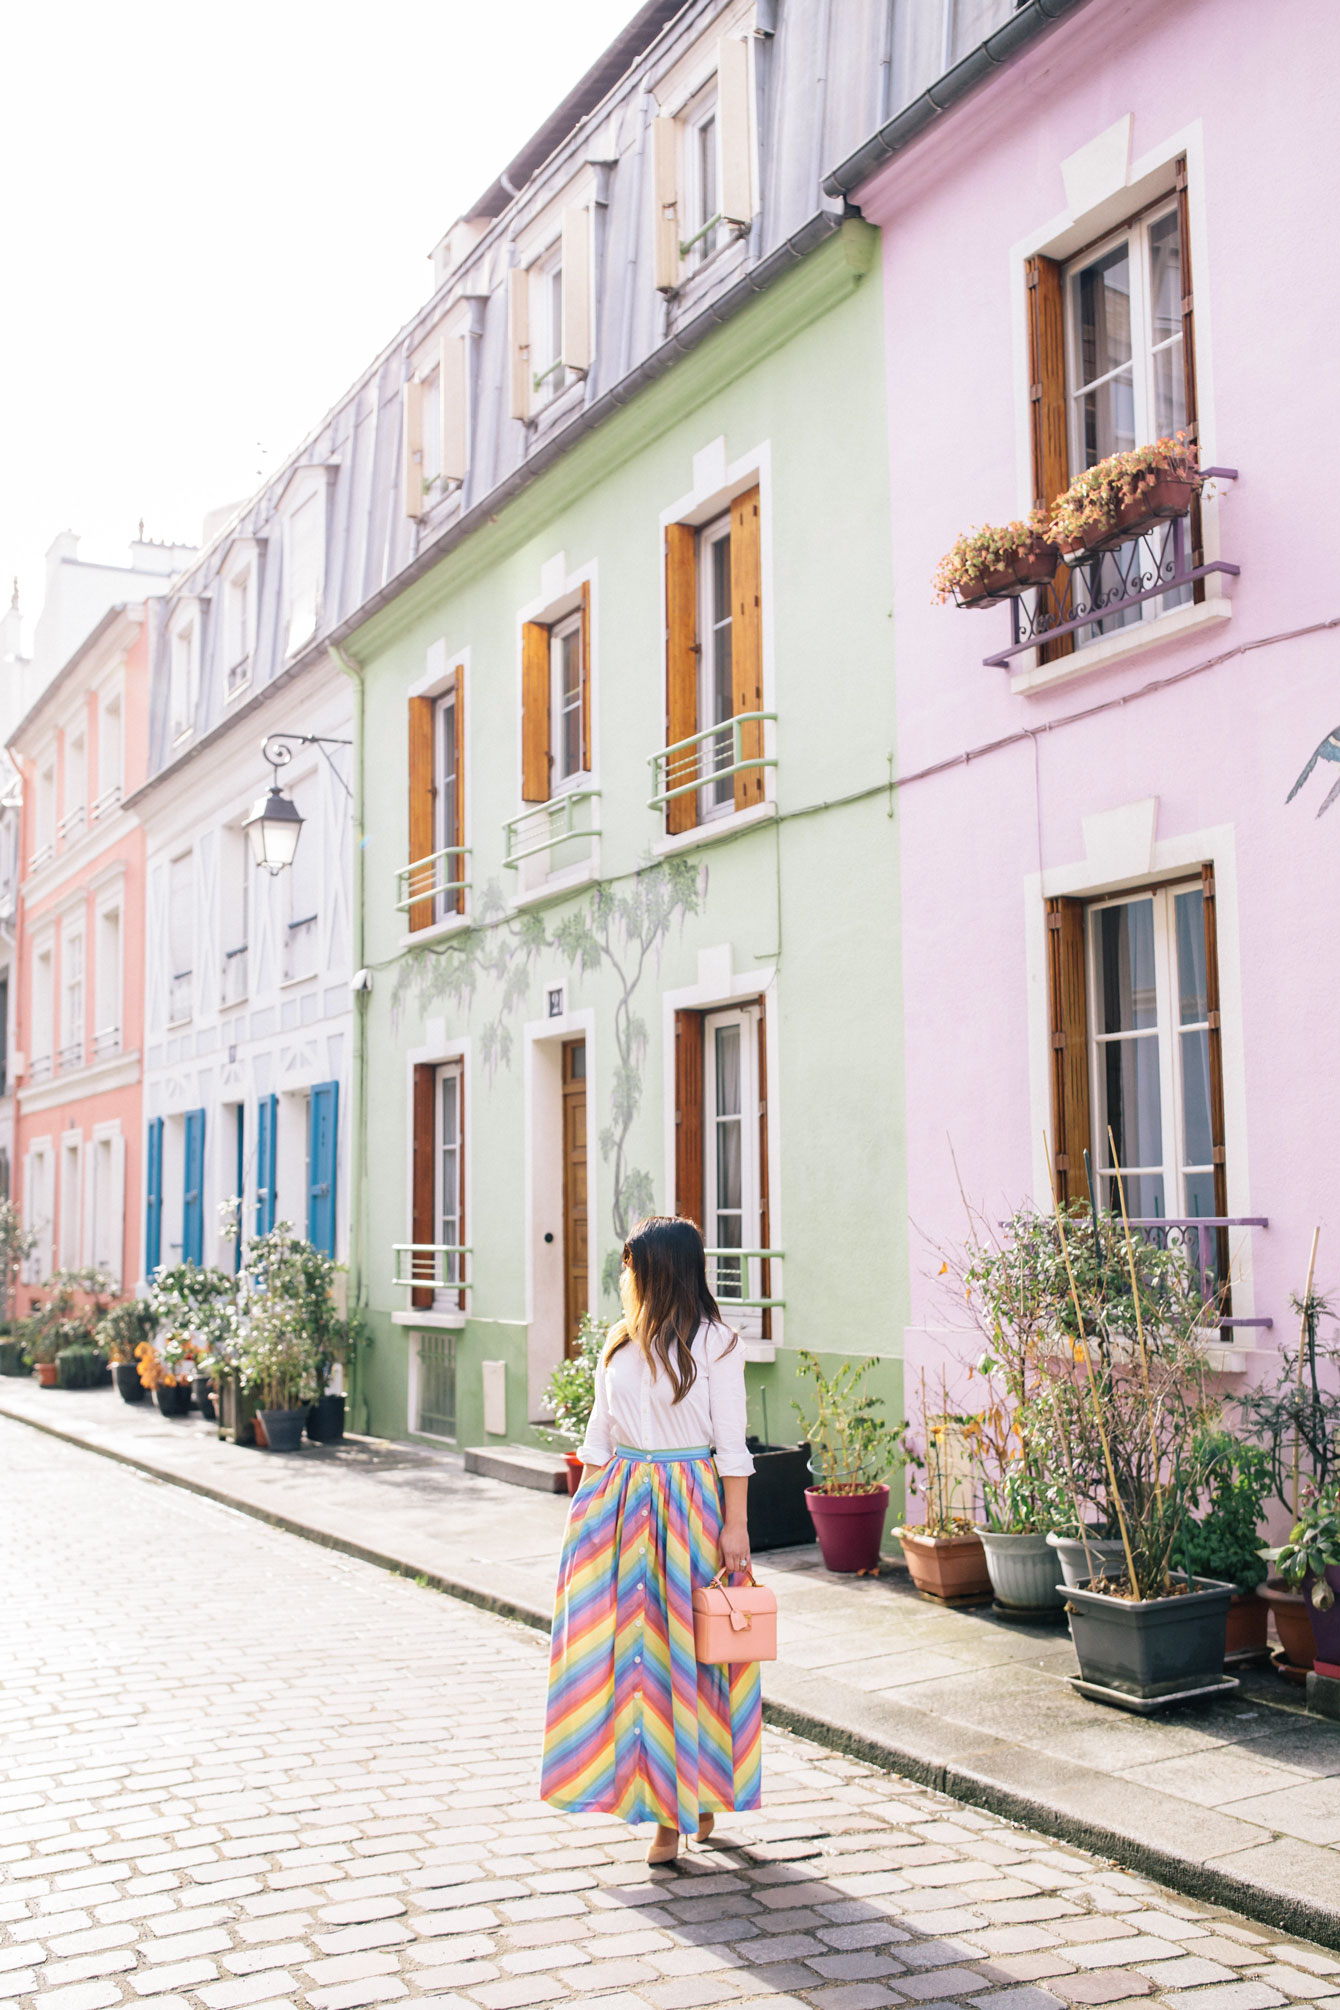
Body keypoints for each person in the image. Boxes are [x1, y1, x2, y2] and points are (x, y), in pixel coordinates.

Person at [540, 1214, 761, 1865]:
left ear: (660, 1269)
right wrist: (582, 1519)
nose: (623, 1274)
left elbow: (733, 1446)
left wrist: (737, 1525)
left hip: (690, 1508)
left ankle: (687, 1804)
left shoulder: (717, 1343)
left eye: (631, 1263)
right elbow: (598, 1440)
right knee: (632, 1661)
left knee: (690, 1659)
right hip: (621, 1507)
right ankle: (671, 1801)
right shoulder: (619, 1343)